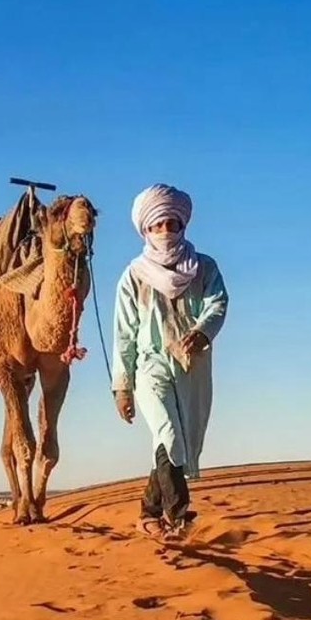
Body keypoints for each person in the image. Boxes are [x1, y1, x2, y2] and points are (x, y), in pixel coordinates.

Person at [112, 183, 229, 539]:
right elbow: (124, 333)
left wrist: (203, 332)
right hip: (150, 365)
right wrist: (122, 386)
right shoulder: (134, 275)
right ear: (145, 230)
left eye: (172, 224)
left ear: (183, 226)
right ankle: (179, 516)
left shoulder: (204, 267)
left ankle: (148, 513)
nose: (165, 231)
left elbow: (218, 304)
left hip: (191, 368)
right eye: (157, 225)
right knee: (168, 432)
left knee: (173, 443)